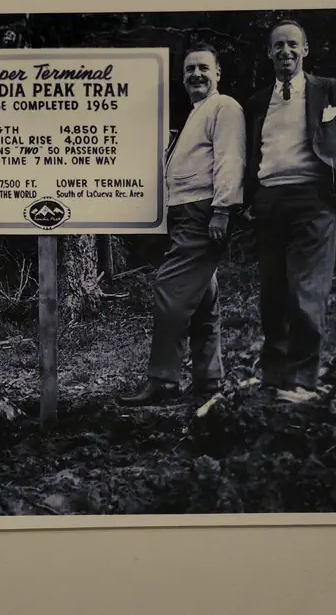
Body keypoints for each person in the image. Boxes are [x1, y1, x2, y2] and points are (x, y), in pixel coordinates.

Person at [244, 20, 336, 401]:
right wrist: (252, 200)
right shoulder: (256, 102)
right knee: (272, 292)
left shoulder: (332, 91)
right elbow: (252, 154)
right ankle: (274, 378)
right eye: (278, 46)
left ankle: (303, 381)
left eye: (292, 45)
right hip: (269, 202)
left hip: (314, 201)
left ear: (305, 50)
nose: (285, 51)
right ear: (269, 53)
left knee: (305, 290)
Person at [119, 42, 246, 405]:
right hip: (185, 211)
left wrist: (222, 209)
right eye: (189, 69)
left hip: (203, 211)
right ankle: (209, 379)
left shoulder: (225, 107)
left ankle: (163, 379)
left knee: (170, 291)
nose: (196, 75)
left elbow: (230, 159)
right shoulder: (197, 112)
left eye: (204, 68)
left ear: (218, 73)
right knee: (203, 297)